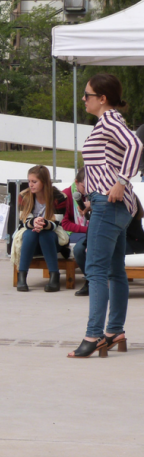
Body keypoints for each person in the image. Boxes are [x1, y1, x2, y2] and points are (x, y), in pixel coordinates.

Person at [68, 73, 143, 358]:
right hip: (113, 205)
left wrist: (121, 181)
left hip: (109, 204)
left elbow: (136, 146)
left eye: (87, 95)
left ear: (102, 98)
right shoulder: (107, 122)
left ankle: (94, 335)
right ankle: (114, 331)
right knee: (114, 271)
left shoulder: (110, 119)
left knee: (96, 270)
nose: (83, 100)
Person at [15, 165, 69, 293]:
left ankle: (54, 277)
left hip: (52, 240)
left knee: (46, 234)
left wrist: (44, 223)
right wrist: (34, 222)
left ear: (44, 182)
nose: (30, 185)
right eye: (29, 181)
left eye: (34, 182)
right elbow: (23, 221)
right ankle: (21, 277)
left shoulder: (60, 197)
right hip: (31, 239)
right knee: (30, 234)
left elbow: (56, 223)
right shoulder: (24, 196)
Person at [61, 168, 90, 296]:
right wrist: (88, 230)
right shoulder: (66, 195)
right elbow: (65, 224)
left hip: (92, 232)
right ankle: (90, 281)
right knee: (80, 249)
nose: (87, 189)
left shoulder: (93, 195)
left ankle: (94, 280)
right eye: (84, 186)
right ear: (76, 182)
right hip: (73, 233)